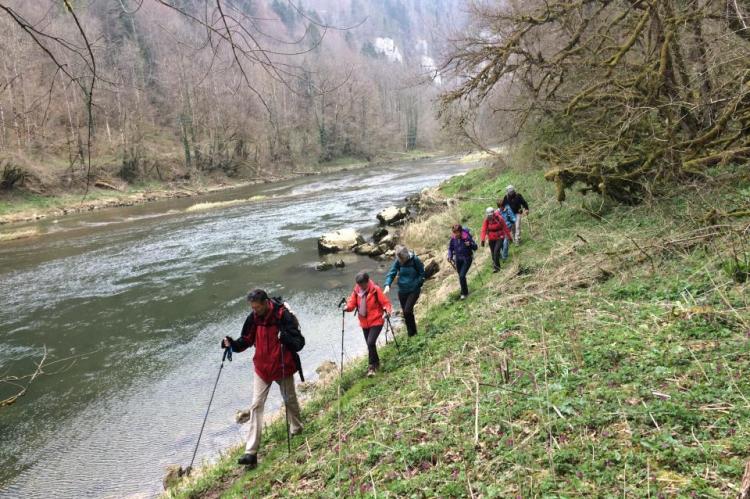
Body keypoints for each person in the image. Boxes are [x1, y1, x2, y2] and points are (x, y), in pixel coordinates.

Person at [222, 289, 304, 469]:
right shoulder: (253, 318)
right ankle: (251, 452)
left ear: (266, 302)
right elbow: (245, 340)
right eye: (252, 307)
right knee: (256, 405)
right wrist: (231, 344)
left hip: (282, 366)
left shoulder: (283, 315)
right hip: (262, 368)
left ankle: (297, 428)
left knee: (289, 400)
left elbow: (299, 343)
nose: (255, 310)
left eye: (257, 307)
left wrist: (286, 338)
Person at [343, 271, 392, 377]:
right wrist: (347, 308)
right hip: (364, 323)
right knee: (371, 345)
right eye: (358, 284)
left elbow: (386, 303)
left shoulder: (375, 290)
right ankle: (377, 363)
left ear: (367, 282)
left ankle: (371, 368)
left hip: (376, 320)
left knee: (370, 343)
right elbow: (352, 303)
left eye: (362, 284)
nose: (360, 286)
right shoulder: (357, 290)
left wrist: (387, 311)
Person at [383, 245, 425, 337]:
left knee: (407, 311)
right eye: (400, 260)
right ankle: (412, 333)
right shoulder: (398, 261)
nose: (401, 262)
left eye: (403, 260)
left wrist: (417, 283)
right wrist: (387, 284)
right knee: (407, 314)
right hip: (402, 291)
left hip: (414, 290)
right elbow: (392, 273)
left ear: (406, 255)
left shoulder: (415, 260)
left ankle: (413, 333)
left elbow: (422, 273)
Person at [447, 223, 478, 299]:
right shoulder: (453, 238)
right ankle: (464, 291)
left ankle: (464, 294)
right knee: (461, 276)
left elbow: (475, 247)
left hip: (467, 259)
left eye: (457, 232)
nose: (456, 234)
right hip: (458, 259)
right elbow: (450, 248)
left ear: (460, 231)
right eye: (454, 232)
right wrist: (450, 256)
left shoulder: (466, 237)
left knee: (461, 276)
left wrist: (469, 244)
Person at [480, 207, 513, 272]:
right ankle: (496, 266)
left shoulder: (499, 218)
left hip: (500, 237)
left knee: (496, 251)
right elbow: (483, 229)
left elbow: (505, 228)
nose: (489, 217)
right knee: (493, 253)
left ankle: (497, 268)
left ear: (493, 213)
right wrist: (482, 239)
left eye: (490, 215)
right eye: (488, 215)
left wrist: (509, 238)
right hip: (491, 238)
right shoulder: (487, 220)